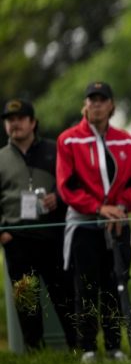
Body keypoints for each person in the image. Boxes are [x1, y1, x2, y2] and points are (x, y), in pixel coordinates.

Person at [57, 82, 131, 363]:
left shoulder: (126, 141)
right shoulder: (69, 140)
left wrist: (119, 209)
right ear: (85, 105)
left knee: (114, 284)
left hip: (117, 223)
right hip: (84, 225)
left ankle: (113, 346)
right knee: (86, 286)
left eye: (101, 99)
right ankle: (88, 348)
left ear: (111, 105)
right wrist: (98, 208)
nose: (96, 104)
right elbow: (67, 186)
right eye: (91, 99)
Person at [0, 98, 77, 351]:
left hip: (52, 235)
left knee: (64, 293)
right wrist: (2, 233)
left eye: (20, 119)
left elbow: (72, 184)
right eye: (10, 121)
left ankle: (77, 347)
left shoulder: (55, 150)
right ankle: (34, 350)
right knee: (26, 300)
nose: (15, 124)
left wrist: (60, 197)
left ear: (33, 122)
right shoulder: (1, 158)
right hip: (17, 238)